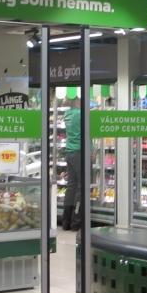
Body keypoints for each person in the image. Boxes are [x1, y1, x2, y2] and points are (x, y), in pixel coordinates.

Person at [60, 96, 83, 230]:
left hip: (69, 152)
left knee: (71, 186)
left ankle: (66, 221)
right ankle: (76, 222)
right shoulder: (80, 113)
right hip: (79, 152)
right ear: (76, 101)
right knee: (81, 187)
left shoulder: (67, 114)